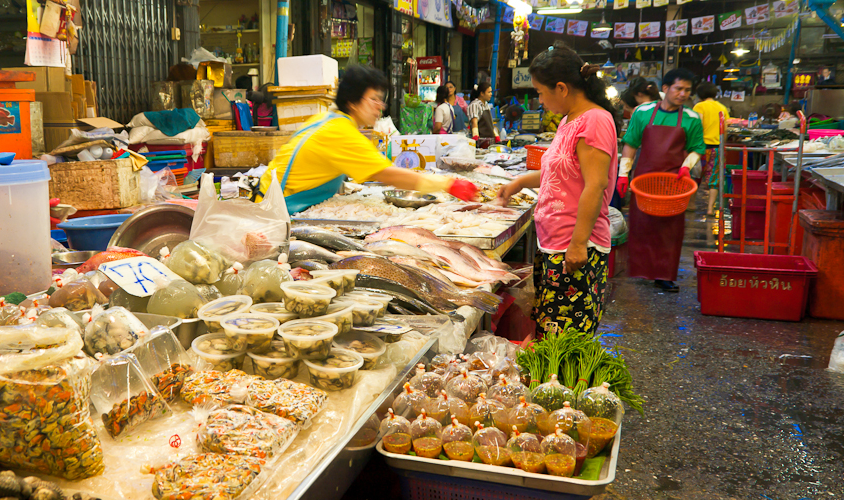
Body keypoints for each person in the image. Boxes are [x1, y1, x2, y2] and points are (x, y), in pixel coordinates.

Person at [497, 46, 620, 335]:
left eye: (541, 92)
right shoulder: (569, 120)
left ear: (561, 88)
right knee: (551, 330)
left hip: (575, 246)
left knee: (566, 337)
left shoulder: (595, 121)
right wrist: (518, 183)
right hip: (555, 242)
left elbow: (595, 184)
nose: (539, 100)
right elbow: (559, 173)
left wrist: (578, 244)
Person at [260, 66, 477, 214]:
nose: (379, 107)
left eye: (380, 100)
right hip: (277, 213)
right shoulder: (341, 132)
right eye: (373, 99)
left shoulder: (328, 119)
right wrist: (448, 184)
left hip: (271, 202)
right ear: (352, 101)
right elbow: (388, 174)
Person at [616, 68, 705, 292]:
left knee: (670, 229)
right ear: (665, 89)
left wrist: (686, 168)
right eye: (678, 88)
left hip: (674, 181)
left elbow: (696, 150)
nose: (683, 94)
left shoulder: (692, 118)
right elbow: (631, 144)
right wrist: (623, 174)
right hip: (644, 179)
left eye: (687, 90)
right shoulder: (643, 112)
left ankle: (664, 275)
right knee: (642, 225)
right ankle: (643, 270)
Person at [692, 82, 730, 217]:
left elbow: (698, 126)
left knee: (695, 176)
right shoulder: (722, 107)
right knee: (714, 179)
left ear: (699, 94)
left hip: (701, 147)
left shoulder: (699, 106)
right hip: (717, 148)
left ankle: (691, 204)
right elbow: (724, 129)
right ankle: (710, 208)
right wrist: (722, 144)